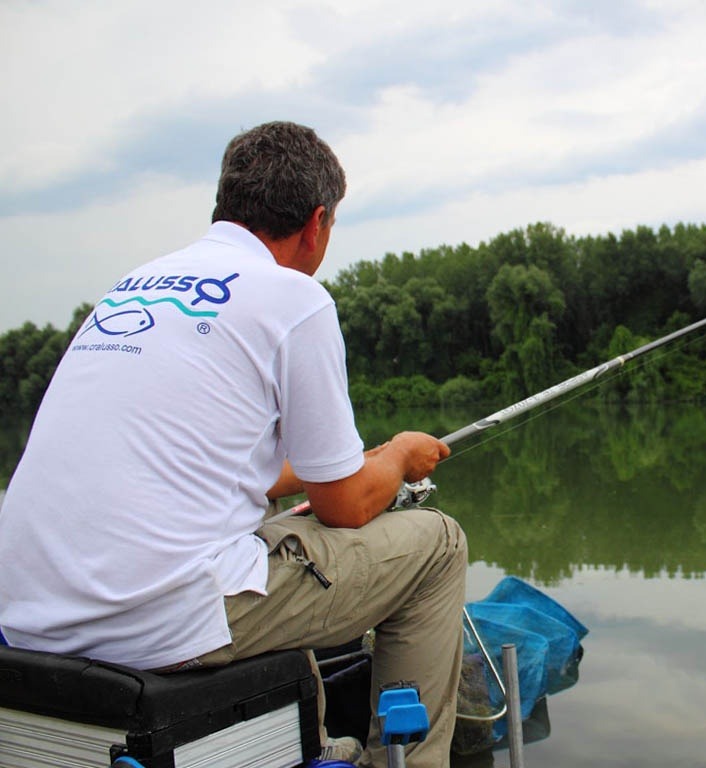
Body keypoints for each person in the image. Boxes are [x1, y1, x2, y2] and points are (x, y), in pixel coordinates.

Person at [0, 121, 467, 767]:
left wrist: (345, 468)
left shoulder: (132, 286)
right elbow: (347, 511)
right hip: (150, 621)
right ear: (317, 222)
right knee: (438, 544)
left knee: (262, 533)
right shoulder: (293, 298)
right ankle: (408, 762)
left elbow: (200, 467)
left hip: (27, 613)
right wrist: (394, 458)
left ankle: (316, 740)